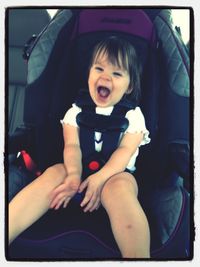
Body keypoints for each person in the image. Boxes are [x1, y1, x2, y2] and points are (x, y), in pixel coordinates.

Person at [9, 36, 151, 258]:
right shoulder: (75, 112)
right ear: (89, 75)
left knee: (121, 187)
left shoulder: (134, 117)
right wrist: (74, 176)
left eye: (116, 73)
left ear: (129, 86)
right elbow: (72, 147)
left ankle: (138, 256)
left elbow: (124, 153)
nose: (105, 76)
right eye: (99, 68)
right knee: (54, 172)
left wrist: (100, 178)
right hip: (77, 174)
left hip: (114, 175)